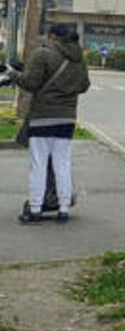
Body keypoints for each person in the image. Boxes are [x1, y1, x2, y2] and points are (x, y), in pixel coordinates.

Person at [5, 23, 90, 224]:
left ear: (53, 36)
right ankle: (63, 210)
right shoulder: (79, 58)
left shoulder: (42, 54)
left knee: (39, 165)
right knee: (62, 164)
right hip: (67, 118)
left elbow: (30, 83)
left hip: (43, 118)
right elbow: (84, 85)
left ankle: (35, 209)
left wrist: (12, 74)